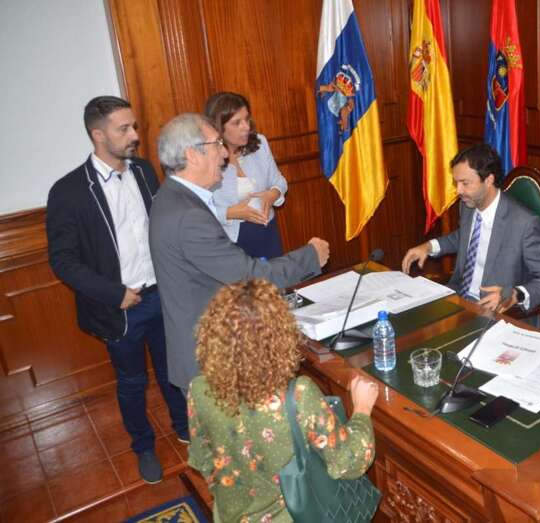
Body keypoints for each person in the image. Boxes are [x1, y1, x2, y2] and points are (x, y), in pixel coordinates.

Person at [46, 96, 188, 484]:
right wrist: (114, 293)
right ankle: (143, 447)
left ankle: (185, 428)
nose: (135, 136)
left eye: (134, 127)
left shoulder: (143, 170)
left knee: (172, 368)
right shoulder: (69, 191)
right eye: (124, 129)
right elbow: (63, 260)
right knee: (132, 382)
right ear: (97, 134)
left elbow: (161, 226)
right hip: (121, 307)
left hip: (161, 293)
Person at [149, 113, 330, 397]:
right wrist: (311, 256)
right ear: (192, 155)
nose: (224, 154)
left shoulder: (173, 197)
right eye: (216, 145)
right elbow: (248, 276)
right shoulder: (187, 216)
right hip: (210, 362)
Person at [187, 279, 379, 522]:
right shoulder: (298, 395)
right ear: (280, 336)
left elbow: (202, 460)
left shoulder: (198, 389)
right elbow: (349, 463)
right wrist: (362, 409)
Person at [401, 143, 540, 324]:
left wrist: (515, 294)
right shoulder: (469, 204)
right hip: (459, 299)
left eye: (465, 183)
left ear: (488, 180)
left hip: (498, 313)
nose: (458, 191)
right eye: (456, 183)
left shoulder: (524, 223)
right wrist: (429, 246)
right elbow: (464, 237)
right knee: (409, 322)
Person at [204, 91, 287, 259]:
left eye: (247, 119)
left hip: (267, 231)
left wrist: (273, 194)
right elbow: (196, 210)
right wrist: (230, 212)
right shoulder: (207, 156)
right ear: (219, 128)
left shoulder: (260, 143)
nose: (246, 127)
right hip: (230, 240)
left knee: (276, 282)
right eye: (237, 123)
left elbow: (279, 180)